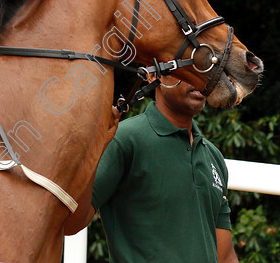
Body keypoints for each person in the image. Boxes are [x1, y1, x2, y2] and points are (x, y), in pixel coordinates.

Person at [88, 77, 239, 263]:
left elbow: (225, 257)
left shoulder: (213, 156)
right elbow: (72, 223)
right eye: (187, 66)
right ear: (153, 75)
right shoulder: (123, 140)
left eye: (205, 68)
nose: (200, 78)